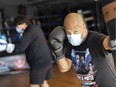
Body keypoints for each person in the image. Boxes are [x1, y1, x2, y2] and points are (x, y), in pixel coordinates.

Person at [49, 13, 116, 87]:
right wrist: (57, 49)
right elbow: (64, 68)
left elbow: (107, 43)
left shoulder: (96, 39)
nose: (72, 36)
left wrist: (112, 39)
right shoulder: (71, 44)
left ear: (84, 27)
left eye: (75, 32)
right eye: (68, 33)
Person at [0, 15, 53, 87]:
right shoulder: (35, 28)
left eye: (17, 25)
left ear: (23, 23)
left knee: (34, 84)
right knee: (43, 82)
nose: (17, 27)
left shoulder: (29, 31)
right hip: (46, 60)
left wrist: (7, 46)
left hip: (39, 63)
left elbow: (21, 47)